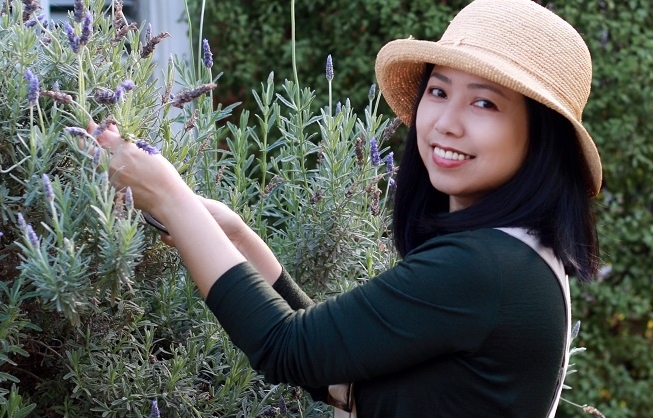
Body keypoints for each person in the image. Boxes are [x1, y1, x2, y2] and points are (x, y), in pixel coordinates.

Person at [88, 0, 601, 416]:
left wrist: (170, 197)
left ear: (542, 138)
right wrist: (235, 235)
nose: (446, 121)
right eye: (438, 90)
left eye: (484, 103)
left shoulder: (484, 268)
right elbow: (331, 365)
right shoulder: (514, 259)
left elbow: (286, 349)